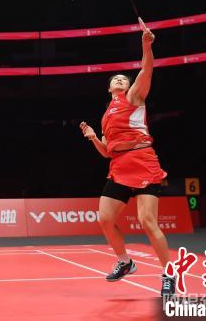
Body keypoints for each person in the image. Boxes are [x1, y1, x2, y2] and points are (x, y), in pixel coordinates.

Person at [79, 19, 176, 296]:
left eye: (124, 78)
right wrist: (94, 138)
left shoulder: (134, 97)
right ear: (109, 87)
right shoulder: (106, 116)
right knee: (105, 219)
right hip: (119, 167)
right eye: (116, 79)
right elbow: (107, 152)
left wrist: (146, 46)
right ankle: (125, 262)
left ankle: (169, 274)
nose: (120, 80)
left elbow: (146, 70)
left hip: (142, 161)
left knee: (148, 222)